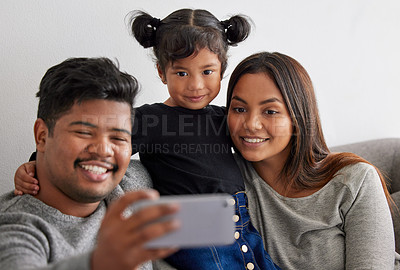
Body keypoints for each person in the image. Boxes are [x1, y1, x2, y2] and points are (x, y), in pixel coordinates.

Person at [14, 8, 281, 270]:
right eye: (181, 73)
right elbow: (93, 143)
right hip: (192, 230)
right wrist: (35, 164)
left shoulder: (225, 118)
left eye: (207, 72)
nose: (196, 85)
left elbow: (259, 139)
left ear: (222, 69)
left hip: (241, 222)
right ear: (161, 72)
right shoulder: (151, 119)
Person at [1, 57, 180, 270]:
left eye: (118, 138)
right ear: (42, 136)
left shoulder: (133, 184)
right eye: (84, 133)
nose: (104, 150)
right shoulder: (14, 226)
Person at [226, 51, 400, 269]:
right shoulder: (225, 180)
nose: (251, 123)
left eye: (270, 111)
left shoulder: (355, 179)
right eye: (239, 109)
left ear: (297, 117)